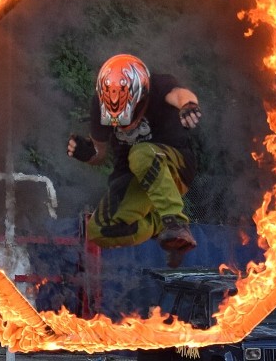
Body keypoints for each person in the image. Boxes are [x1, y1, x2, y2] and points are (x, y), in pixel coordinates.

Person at [67, 54, 202, 267]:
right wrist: (87, 154)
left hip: (174, 166)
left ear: (141, 97)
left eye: (128, 116)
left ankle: (175, 222)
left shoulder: (158, 86)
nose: (124, 126)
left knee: (140, 153)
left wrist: (188, 105)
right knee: (99, 231)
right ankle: (159, 227)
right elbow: (99, 154)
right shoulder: (99, 104)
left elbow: (180, 94)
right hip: (132, 175)